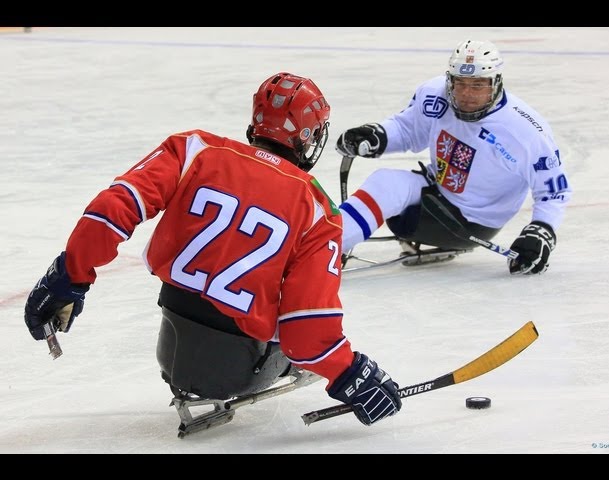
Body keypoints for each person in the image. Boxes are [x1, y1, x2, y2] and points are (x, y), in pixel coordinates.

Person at [23, 72, 401, 428]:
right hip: (240, 367)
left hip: (173, 334)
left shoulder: (193, 149)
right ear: (305, 136)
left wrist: (70, 277)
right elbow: (306, 331)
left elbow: (111, 210)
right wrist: (348, 372)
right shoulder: (319, 210)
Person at [336, 40, 572, 275]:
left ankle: (324, 247)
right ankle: (323, 244)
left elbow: (553, 190)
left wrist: (541, 230)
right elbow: (408, 130)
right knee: (385, 182)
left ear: (496, 83)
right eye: (460, 84)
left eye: (478, 85)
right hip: (437, 190)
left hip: (473, 220)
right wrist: (378, 136)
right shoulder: (435, 95)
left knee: (387, 185)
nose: (467, 94)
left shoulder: (524, 131)